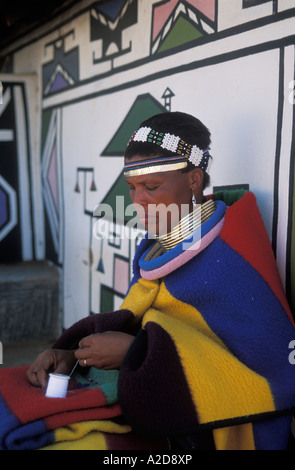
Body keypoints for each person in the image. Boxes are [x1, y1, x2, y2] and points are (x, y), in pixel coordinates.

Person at [27, 111, 295, 450]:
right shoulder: (156, 249)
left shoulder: (231, 259)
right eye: (132, 188)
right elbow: (142, 324)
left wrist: (137, 354)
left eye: (151, 187)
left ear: (194, 180)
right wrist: (72, 355)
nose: (137, 201)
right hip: (150, 400)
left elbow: (266, 377)